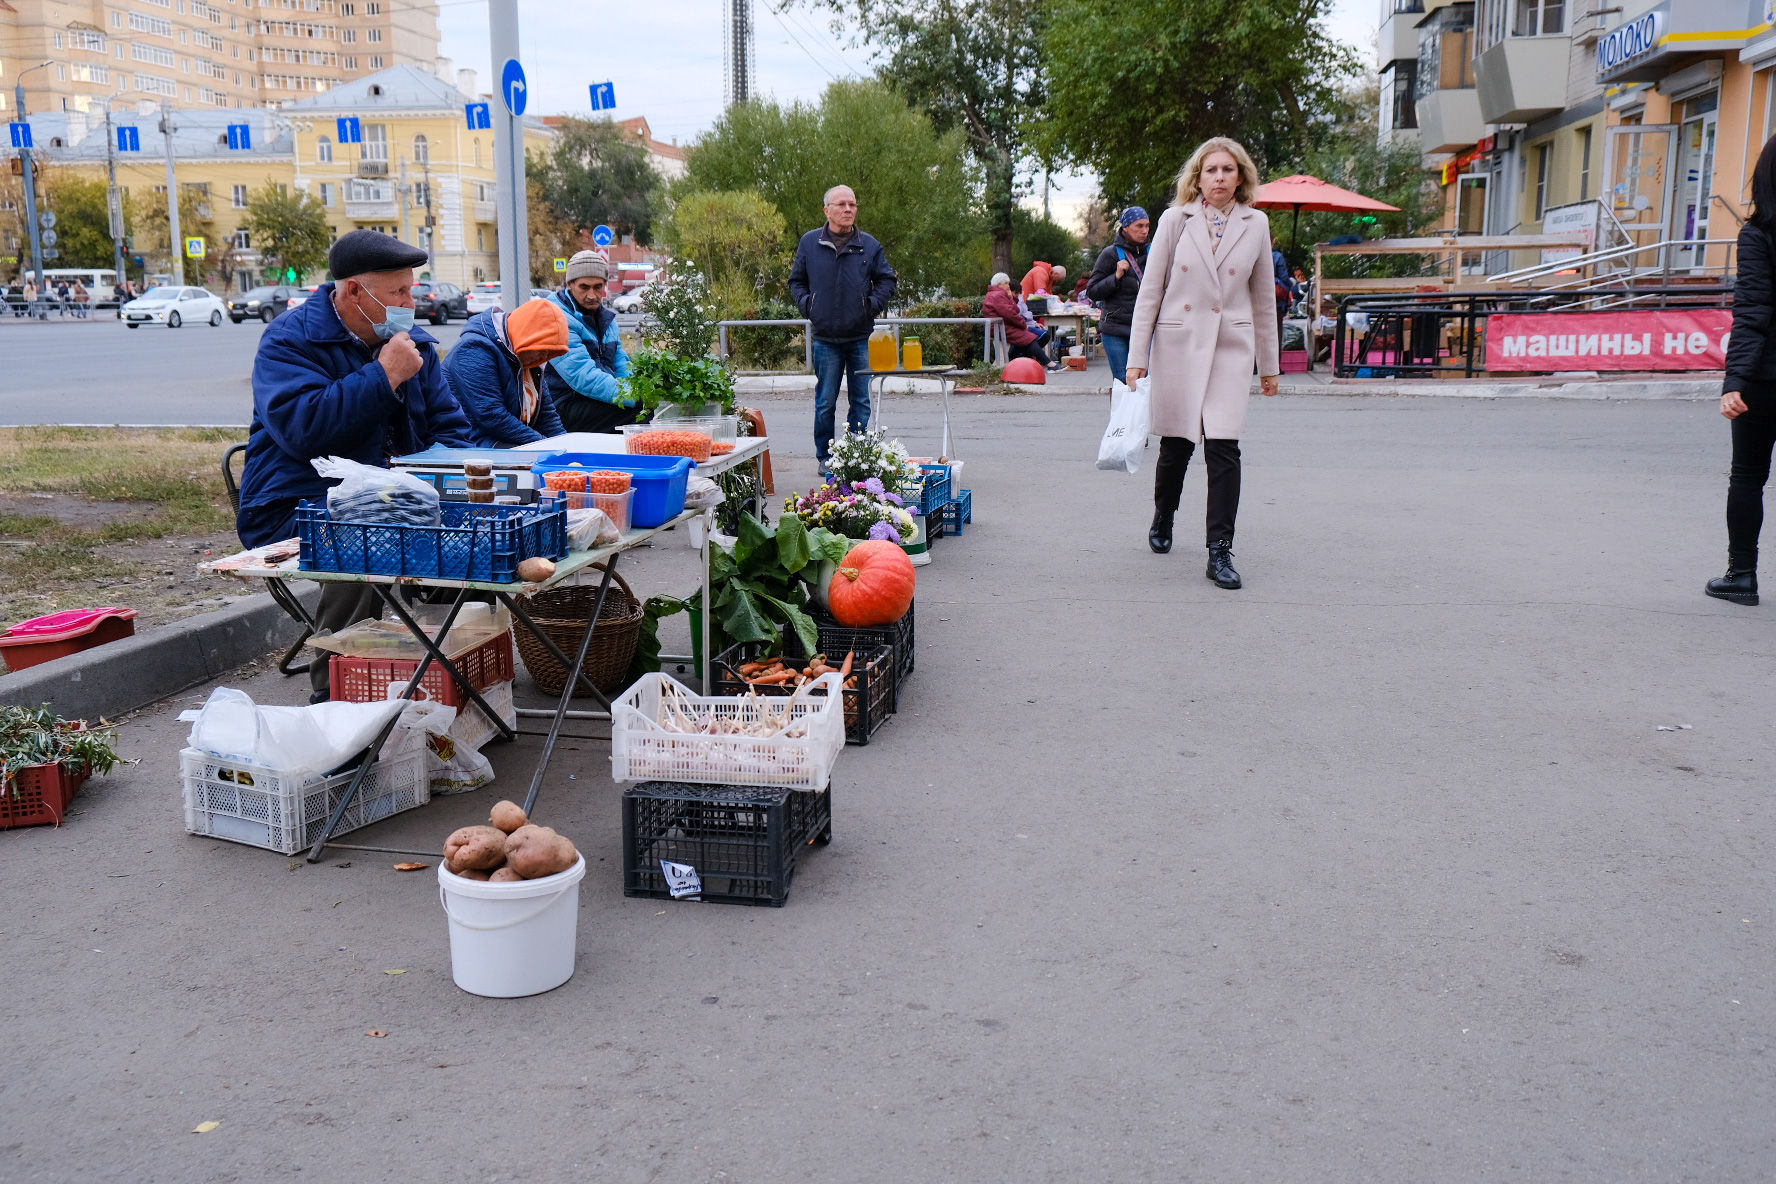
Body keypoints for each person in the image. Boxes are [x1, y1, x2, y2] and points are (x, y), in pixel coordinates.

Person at [235, 229, 473, 701]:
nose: (410, 304)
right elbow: (304, 429)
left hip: (396, 500)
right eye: (398, 293)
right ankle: (334, 691)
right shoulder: (289, 340)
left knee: (475, 537)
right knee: (365, 537)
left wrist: (438, 485)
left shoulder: (413, 345)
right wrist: (384, 376)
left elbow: (452, 430)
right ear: (354, 293)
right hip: (295, 504)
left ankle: (444, 666)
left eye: (411, 290)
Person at [1125, 136, 1281, 588]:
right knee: (1177, 446)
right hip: (1180, 343)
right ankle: (1164, 513)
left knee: (1224, 448)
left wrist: (1269, 365)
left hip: (1231, 346)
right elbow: (1150, 292)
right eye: (1211, 170)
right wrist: (1137, 358)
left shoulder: (1256, 223)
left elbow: (1263, 299)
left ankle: (1219, 551)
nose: (1219, 177)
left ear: (1241, 176)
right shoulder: (1175, 220)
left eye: (1228, 169)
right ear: (1198, 177)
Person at [789, 184, 898, 468]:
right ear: (827, 210)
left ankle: (856, 459)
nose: (848, 209)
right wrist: (808, 305)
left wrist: (870, 306)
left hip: (860, 336)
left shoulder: (870, 245)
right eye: (841, 204)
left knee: (861, 401)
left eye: (852, 204)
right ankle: (826, 458)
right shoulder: (810, 242)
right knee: (825, 401)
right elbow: (796, 281)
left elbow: (887, 280)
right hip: (825, 338)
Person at [1711, 134, 1776, 605]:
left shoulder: (1758, 235)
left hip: (1765, 379)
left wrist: (1734, 382)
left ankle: (1742, 577)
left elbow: (1752, 311)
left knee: (1748, 475)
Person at [444, 297, 569, 448]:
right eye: (541, 349)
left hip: (502, 438)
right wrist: (545, 445)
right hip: (468, 441)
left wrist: (566, 447)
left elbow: (547, 416)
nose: (544, 356)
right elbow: (492, 416)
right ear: (525, 336)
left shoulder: (526, 357)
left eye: (550, 351)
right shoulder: (473, 350)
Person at [547, 251, 638, 434]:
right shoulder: (556, 319)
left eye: (598, 287)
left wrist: (638, 391)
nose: (592, 295)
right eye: (584, 287)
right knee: (639, 414)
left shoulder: (607, 321)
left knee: (644, 411)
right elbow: (583, 377)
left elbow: (622, 365)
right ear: (570, 285)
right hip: (562, 406)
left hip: (595, 398)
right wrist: (635, 398)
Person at [1086, 206, 1150, 384]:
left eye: (1147, 226)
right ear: (1126, 227)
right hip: (1116, 329)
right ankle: (1122, 404)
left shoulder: (1155, 252)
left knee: (1147, 381)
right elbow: (1092, 292)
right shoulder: (1110, 254)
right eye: (1139, 226)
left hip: (1147, 329)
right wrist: (1116, 276)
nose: (1144, 231)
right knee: (1123, 381)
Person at [983, 272, 1049, 366]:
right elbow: (1010, 314)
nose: (1008, 286)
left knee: (1029, 338)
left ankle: (1023, 361)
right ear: (999, 284)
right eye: (1006, 283)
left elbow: (1015, 310)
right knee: (1029, 338)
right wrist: (1023, 325)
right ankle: (1048, 363)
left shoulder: (999, 294)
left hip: (1005, 326)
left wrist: (1010, 297)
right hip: (1001, 328)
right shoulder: (997, 295)